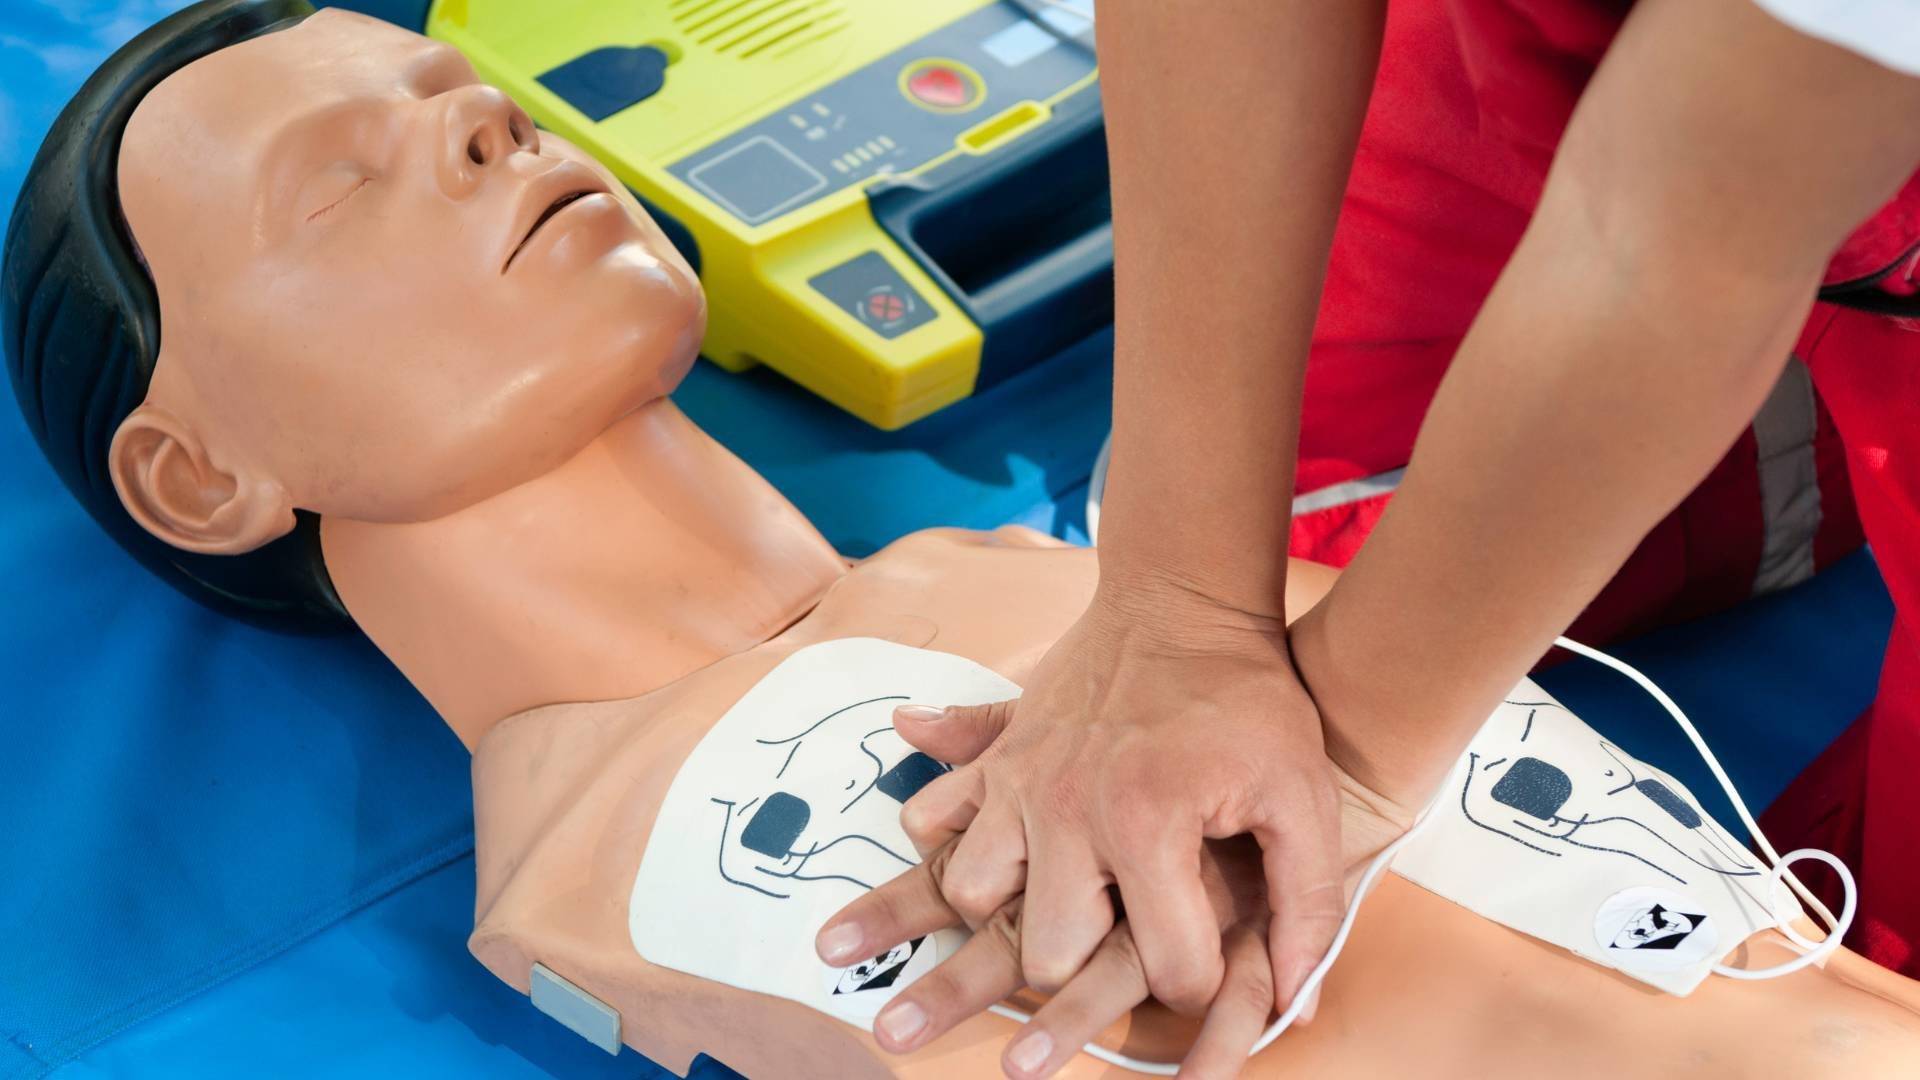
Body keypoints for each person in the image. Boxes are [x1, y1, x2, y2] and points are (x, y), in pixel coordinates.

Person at [8, 2, 1920, 1077]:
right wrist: (1178, 591)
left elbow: (1675, 236)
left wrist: (1333, 723)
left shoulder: (1037, 582)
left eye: (467, 101)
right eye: (339, 187)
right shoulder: (611, 867)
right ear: (199, 475)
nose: (488, 134)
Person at [827, 2, 1920, 1068]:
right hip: (1643, 66)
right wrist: (1178, 608)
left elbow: (1668, 246)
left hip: (1781, 126)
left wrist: (1349, 768)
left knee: (1864, 967)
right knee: (1313, 549)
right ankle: (1773, 446)